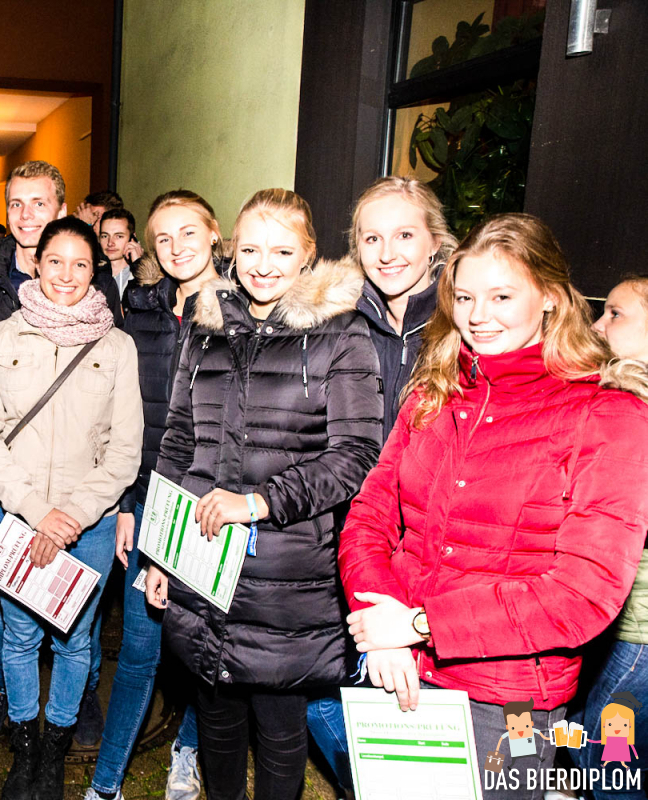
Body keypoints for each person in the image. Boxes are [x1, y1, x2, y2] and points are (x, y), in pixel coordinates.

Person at [339, 214, 648, 800]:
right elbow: (369, 516)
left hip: (511, 703)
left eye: (501, 296)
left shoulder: (608, 414)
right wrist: (383, 628)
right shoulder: (434, 391)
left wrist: (419, 624)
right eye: (464, 298)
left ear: (550, 297)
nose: (478, 315)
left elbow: (583, 595)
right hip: (399, 666)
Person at [146, 188, 383, 800]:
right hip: (201, 557)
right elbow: (178, 440)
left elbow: (357, 456)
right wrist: (158, 552)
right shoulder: (206, 327)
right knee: (217, 718)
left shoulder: (342, 332)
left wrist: (258, 503)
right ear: (232, 251)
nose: (263, 265)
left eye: (281, 250)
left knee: (280, 731)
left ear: (308, 253)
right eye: (250, 249)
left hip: (286, 572)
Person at [0, 161, 122, 744]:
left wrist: (82, 511)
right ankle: (11, 706)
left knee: (78, 627)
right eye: (15, 203)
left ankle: (75, 705)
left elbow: (119, 433)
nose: (24, 214)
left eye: (38, 203)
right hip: (12, 496)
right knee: (11, 622)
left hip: (84, 505)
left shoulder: (107, 320)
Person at [0, 215, 142, 800]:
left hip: (88, 524)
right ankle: (24, 746)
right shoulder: (1, 338)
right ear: (36, 264)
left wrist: (71, 515)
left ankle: (55, 749)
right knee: (18, 637)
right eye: (56, 261)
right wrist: (34, 510)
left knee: (75, 640)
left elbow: (125, 449)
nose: (67, 274)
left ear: (96, 271)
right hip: (16, 516)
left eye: (81, 264)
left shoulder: (116, 347)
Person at [306, 175, 458, 794]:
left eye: (404, 235)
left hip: (429, 544)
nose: (388, 253)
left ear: (435, 243)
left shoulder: (466, 321)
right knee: (322, 692)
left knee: (416, 707)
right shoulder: (336, 319)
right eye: (372, 238)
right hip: (346, 532)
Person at [87, 190, 224, 800]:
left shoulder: (248, 312)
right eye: (163, 237)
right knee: (141, 649)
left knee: (204, 652)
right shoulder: (139, 313)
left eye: (188, 232)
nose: (176, 247)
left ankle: (187, 749)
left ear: (214, 233)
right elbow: (126, 421)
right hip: (150, 501)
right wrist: (124, 505)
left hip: (214, 509)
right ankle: (105, 785)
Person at [570, 276, 648, 797]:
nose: (599, 326)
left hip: (640, 625)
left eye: (616, 314)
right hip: (617, 612)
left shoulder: (631, 404)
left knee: (605, 754)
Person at [99, 208, 143, 299]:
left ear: (132, 238)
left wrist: (139, 266)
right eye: (105, 236)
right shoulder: (91, 273)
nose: (110, 243)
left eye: (119, 236)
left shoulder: (145, 275)